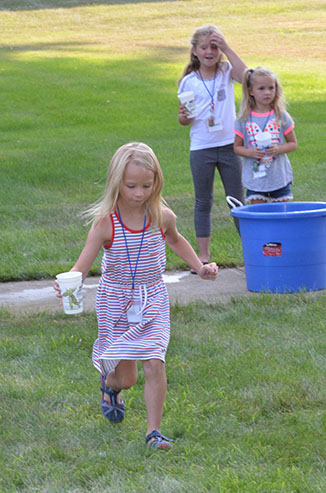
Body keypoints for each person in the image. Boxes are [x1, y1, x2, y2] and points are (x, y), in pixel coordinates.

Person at [54, 142, 218, 450]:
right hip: (115, 301)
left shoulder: (161, 216)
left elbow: (176, 240)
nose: (140, 193)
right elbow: (82, 265)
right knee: (126, 379)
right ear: (117, 182)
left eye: (147, 185)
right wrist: (67, 283)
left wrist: (200, 266)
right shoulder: (105, 223)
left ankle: (153, 432)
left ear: (156, 182)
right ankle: (110, 386)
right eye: (131, 186)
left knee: (155, 361)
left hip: (152, 295)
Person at [178, 24, 246, 269]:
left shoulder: (227, 71)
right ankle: (203, 256)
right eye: (204, 47)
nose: (210, 51)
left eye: (214, 47)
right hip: (201, 148)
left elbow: (247, 76)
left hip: (229, 146)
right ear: (195, 51)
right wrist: (183, 116)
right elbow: (183, 119)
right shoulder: (188, 82)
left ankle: (248, 249)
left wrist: (227, 48)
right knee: (203, 201)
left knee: (236, 200)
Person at [234, 67, 298, 204]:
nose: (267, 92)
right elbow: (237, 147)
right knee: (260, 217)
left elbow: (293, 143)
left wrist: (278, 149)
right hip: (255, 180)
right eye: (261, 88)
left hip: (278, 177)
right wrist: (250, 152)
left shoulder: (281, 115)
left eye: (271, 88)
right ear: (251, 91)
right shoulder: (243, 119)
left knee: (282, 217)